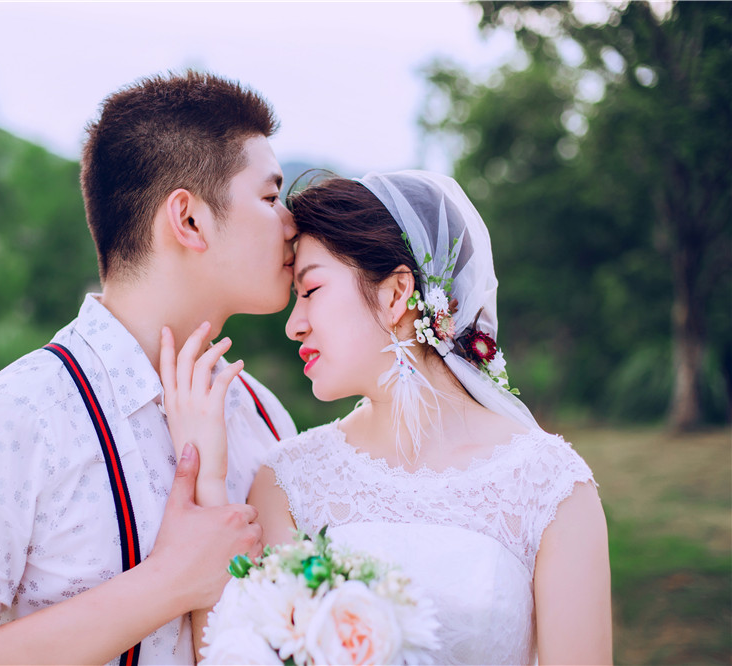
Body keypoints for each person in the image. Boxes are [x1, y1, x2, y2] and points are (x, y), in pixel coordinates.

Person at [0, 71, 298, 666]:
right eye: (271, 198)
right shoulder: (23, 415)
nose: (292, 223)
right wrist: (169, 582)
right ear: (189, 220)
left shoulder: (262, 413)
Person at [162, 171, 612, 664]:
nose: (294, 325)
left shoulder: (550, 486)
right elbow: (230, 653)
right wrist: (207, 475)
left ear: (396, 294)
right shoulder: (288, 482)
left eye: (310, 290)